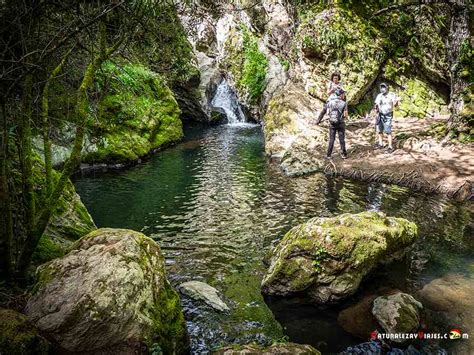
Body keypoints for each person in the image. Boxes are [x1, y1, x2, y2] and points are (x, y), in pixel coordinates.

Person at [316, 88, 348, 159]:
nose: (344, 95)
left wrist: (318, 121)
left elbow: (325, 112)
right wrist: (345, 118)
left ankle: (328, 155)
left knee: (331, 139)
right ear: (341, 94)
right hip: (341, 123)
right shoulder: (344, 103)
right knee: (341, 139)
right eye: (343, 94)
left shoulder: (330, 102)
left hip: (332, 123)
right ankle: (344, 154)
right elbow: (346, 115)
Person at [374, 83, 399, 153]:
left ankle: (390, 146)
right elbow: (376, 105)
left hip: (388, 115)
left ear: (387, 87)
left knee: (388, 131)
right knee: (379, 130)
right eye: (381, 87)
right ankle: (380, 143)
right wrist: (376, 112)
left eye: (384, 87)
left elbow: (395, 105)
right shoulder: (379, 96)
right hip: (380, 114)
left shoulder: (391, 95)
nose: (382, 89)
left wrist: (396, 102)